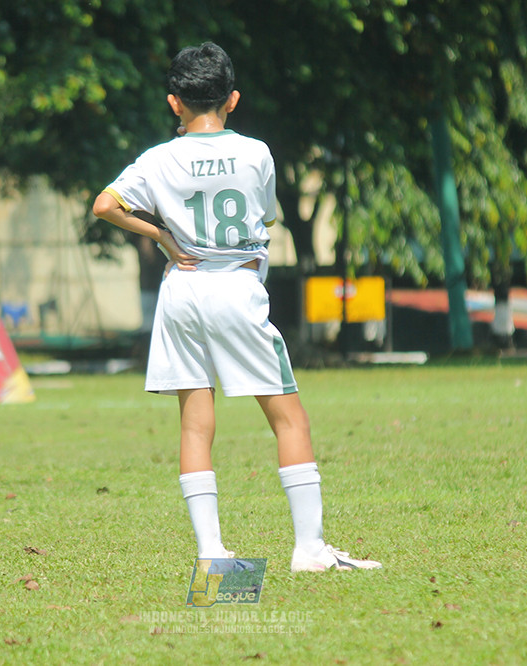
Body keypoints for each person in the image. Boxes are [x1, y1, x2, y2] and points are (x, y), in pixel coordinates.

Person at [93, 43, 380, 572]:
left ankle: (211, 554)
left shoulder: (157, 158)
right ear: (234, 99)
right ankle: (310, 549)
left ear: (173, 103)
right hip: (235, 285)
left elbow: (105, 205)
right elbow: (264, 218)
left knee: (195, 426)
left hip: (181, 289)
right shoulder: (256, 152)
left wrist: (160, 234)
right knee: (289, 420)